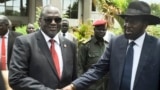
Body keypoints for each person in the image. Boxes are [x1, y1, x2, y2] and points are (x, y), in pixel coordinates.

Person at [62, 1, 160, 90]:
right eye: (126, 20)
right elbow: (98, 69)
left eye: (132, 22)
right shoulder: (115, 43)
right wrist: (72, 86)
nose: (126, 25)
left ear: (145, 24)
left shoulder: (157, 47)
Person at [9, 5, 77, 90]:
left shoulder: (70, 45)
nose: (53, 23)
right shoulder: (24, 43)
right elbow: (16, 78)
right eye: (48, 20)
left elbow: (74, 78)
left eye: (57, 20)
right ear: (40, 21)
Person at [78, 19, 109, 90]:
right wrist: (81, 85)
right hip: (91, 85)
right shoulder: (86, 45)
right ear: (94, 30)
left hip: (105, 85)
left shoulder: (108, 45)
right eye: (99, 29)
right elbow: (79, 67)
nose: (101, 32)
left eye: (104, 30)